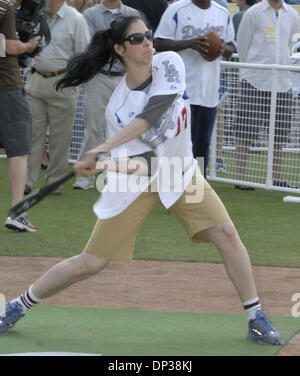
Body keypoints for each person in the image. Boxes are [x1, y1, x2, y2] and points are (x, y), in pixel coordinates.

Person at [0, 14, 283, 346]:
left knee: (226, 233)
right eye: (137, 39)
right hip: (137, 181)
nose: (147, 42)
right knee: (91, 262)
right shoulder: (117, 108)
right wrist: (104, 166)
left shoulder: (169, 63)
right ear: (120, 49)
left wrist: (102, 150)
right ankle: (17, 305)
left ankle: (256, 317)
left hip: (181, 172)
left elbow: (155, 112)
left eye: (148, 35)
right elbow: (143, 165)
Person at [154, 0, 236, 178]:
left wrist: (222, 48)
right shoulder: (176, 10)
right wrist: (189, 43)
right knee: (179, 145)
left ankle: (197, 187)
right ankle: (174, 189)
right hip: (181, 91)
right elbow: (158, 43)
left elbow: (231, 46)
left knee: (202, 145)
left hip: (209, 91)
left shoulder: (222, 13)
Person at [24, 0, 90, 195]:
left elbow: (83, 54)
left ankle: (54, 183)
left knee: (60, 138)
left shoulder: (76, 20)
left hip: (63, 82)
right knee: (33, 134)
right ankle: (27, 180)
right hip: (35, 79)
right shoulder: (36, 15)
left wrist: (72, 80)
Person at [72, 0, 139, 190]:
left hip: (125, 78)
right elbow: (94, 48)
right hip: (99, 77)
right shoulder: (90, 15)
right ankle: (85, 176)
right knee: (94, 126)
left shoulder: (133, 14)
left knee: (123, 128)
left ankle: (116, 175)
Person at [235, 0, 299, 190]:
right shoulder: (253, 13)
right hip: (254, 79)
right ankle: (241, 177)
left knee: (279, 129)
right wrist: (249, 71)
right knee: (245, 128)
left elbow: (289, 45)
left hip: (281, 81)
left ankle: (276, 175)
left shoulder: (292, 15)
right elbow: (243, 45)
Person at [0, 0, 40, 232]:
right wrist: (28, 46)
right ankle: (16, 212)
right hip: (7, 86)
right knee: (20, 150)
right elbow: (10, 47)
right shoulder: (4, 8)